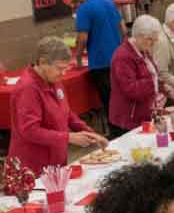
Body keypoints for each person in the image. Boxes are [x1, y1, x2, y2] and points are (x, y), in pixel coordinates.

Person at [9, 36, 107, 174]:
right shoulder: (28, 88)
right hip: (33, 166)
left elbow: (67, 113)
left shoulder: (54, 79)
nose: (63, 73)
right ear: (42, 62)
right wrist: (69, 137)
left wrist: (91, 133)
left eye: (65, 68)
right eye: (59, 68)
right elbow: (30, 131)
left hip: (55, 160)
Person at [73, 0, 124, 136]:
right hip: (118, 58)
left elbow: (83, 37)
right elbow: (122, 27)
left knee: (108, 99)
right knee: (120, 95)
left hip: (101, 62)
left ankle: (115, 133)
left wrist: (79, 58)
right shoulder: (109, 3)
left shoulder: (84, 9)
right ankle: (124, 127)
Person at [108, 15, 168, 137]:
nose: (153, 43)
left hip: (143, 114)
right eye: (151, 39)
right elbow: (130, 89)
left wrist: (163, 87)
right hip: (127, 119)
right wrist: (153, 82)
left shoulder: (142, 50)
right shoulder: (123, 56)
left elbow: (153, 74)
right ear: (139, 36)